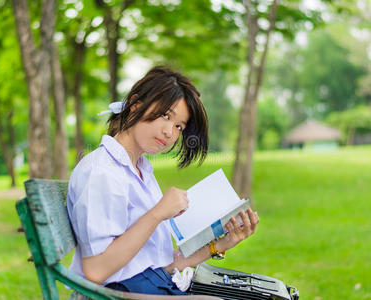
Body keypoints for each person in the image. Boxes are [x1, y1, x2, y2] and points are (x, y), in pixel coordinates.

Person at [67, 66, 259, 295]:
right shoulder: (102, 173)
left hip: (150, 287)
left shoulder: (140, 172)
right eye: (166, 116)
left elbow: (162, 265)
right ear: (135, 105)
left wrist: (220, 244)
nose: (170, 132)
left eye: (179, 126)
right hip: (120, 294)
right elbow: (96, 270)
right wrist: (158, 212)